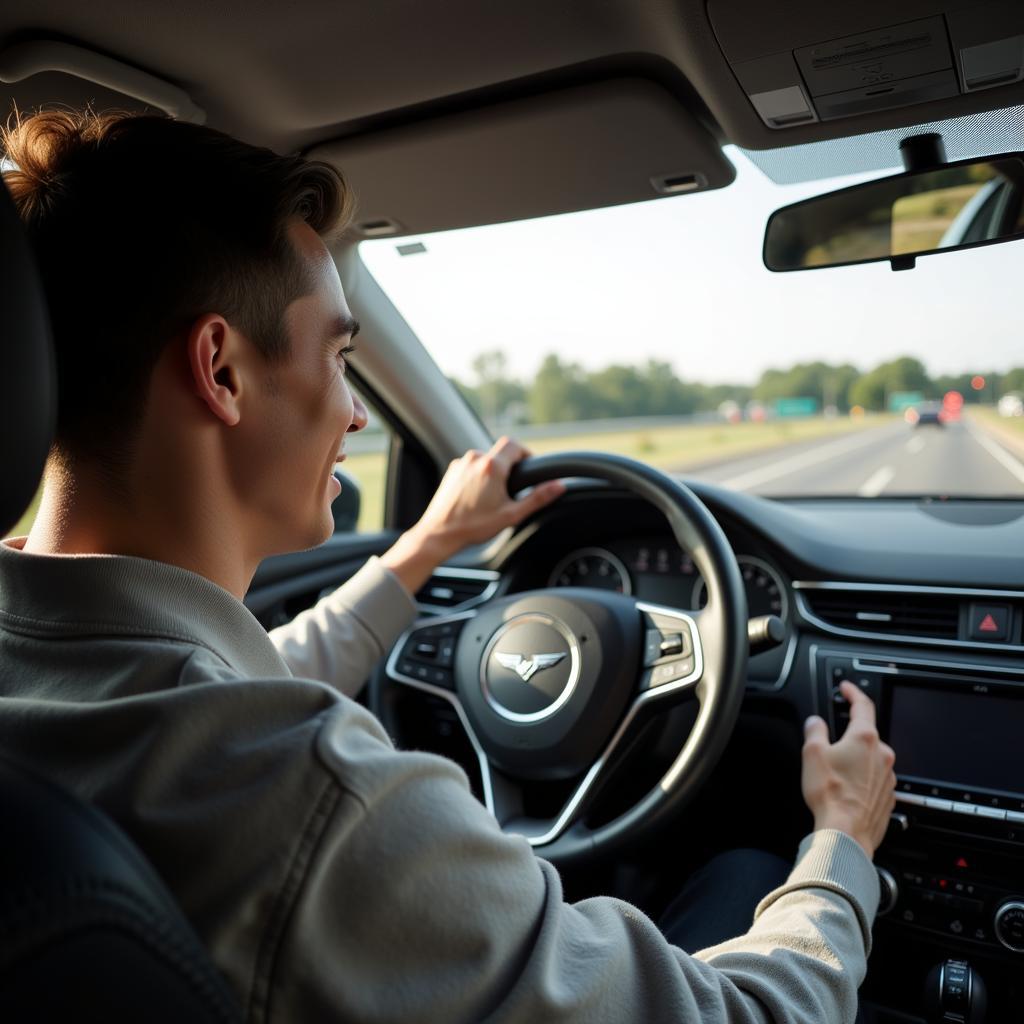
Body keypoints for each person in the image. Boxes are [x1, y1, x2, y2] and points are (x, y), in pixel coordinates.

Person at [0, 110, 895, 1023]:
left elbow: (234, 683)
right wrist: (841, 847)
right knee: (747, 872)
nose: (356, 416)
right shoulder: (320, 797)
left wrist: (426, 546)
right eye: (342, 356)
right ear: (221, 371)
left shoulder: (87, 683)